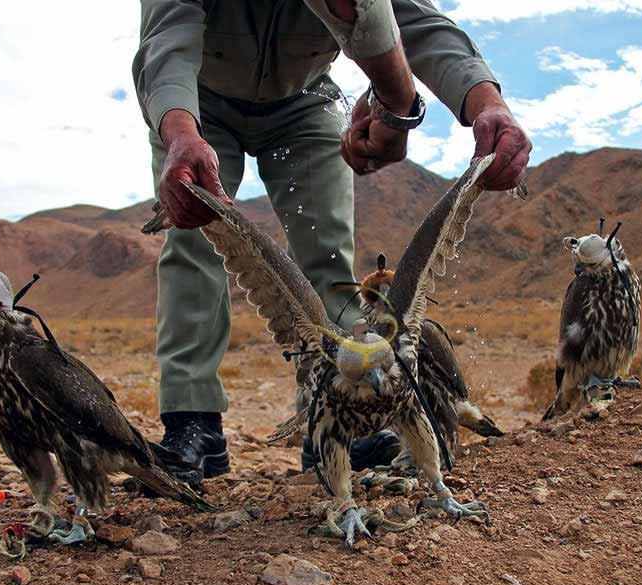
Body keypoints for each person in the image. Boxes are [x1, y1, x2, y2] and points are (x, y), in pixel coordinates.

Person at [132, 0, 531, 485]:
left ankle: (339, 425)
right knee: (195, 239)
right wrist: (178, 130)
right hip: (197, 103)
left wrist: (487, 104)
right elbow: (166, 40)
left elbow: (418, 22)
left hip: (306, 99)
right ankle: (192, 425)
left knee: (328, 261)